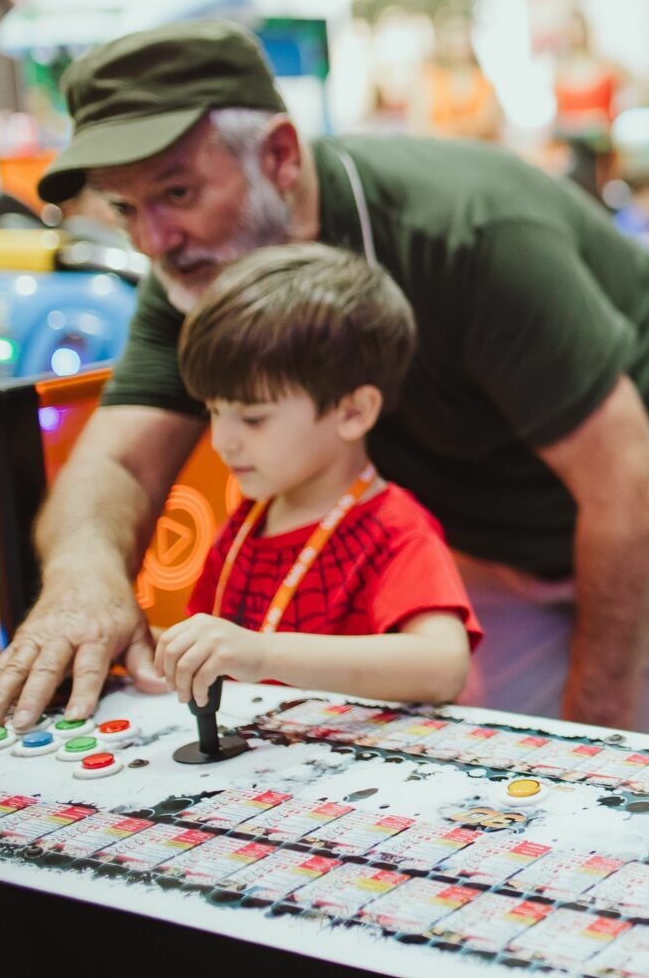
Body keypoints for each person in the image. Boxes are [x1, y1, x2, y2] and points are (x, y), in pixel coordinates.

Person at [0, 20, 649, 746]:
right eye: (124, 209)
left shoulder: (467, 231)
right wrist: (83, 581)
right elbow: (117, 464)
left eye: (179, 193)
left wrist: (596, 747)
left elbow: (627, 487)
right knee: (483, 747)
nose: (156, 240)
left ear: (280, 157)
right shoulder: (194, 271)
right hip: (493, 517)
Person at [157, 242, 481, 705]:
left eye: (253, 418)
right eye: (213, 410)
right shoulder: (248, 522)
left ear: (353, 412)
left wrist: (263, 654)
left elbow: (443, 666)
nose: (222, 439)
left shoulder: (393, 529)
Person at [412, 16, 503, 144]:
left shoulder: (484, 83)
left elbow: (490, 121)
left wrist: (455, 130)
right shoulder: (433, 80)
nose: (458, 46)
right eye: (454, 40)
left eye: (462, 40)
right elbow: (419, 124)